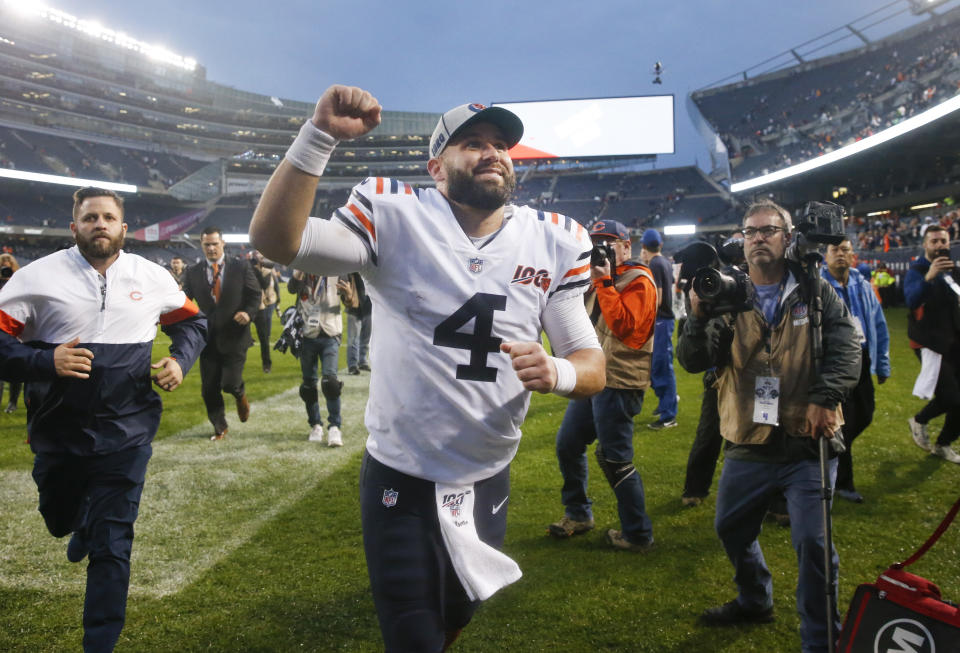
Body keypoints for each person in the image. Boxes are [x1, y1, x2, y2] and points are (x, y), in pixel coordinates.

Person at [249, 84, 605, 653]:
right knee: (413, 633)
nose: (492, 153)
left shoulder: (556, 241)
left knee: (457, 610)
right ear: (437, 168)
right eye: (473, 143)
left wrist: (557, 371)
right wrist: (318, 139)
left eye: (500, 145)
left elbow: (592, 365)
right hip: (402, 471)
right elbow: (277, 240)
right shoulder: (394, 212)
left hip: (488, 469)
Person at [0, 186, 206, 653]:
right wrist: (45, 361)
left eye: (108, 217)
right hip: (58, 434)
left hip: (128, 433)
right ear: (74, 227)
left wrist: (179, 359)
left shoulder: (151, 277)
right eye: (90, 217)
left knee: (115, 544)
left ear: (123, 228)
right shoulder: (36, 278)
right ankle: (79, 523)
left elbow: (193, 323)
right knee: (58, 519)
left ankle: (101, 644)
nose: (100, 224)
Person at [677, 198, 860, 653]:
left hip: (807, 437)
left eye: (768, 230)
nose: (759, 237)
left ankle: (822, 640)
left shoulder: (815, 289)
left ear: (787, 236)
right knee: (730, 528)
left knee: (813, 545)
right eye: (751, 231)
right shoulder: (726, 294)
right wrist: (697, 319)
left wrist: (826, 398)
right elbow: (694, 361)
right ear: (742, 239)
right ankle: (755, 597)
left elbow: (848, 346)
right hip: (748, 438)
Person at [549, 219, 659, 551]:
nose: (602, 248)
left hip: (621, 381)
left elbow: (628, 329)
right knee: (568, 444)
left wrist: (605, 283)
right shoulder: (592, 276)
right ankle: (579, 513)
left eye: (609, 242)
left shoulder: (640, 280)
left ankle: (638, 534)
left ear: (627, 245)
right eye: (596, 242)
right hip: (594, 375)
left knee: (614, 459)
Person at [822, 237, 891, 501]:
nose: (840, 254)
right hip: (835, 363)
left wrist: (882, 363)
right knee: (842, 420)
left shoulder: (862, 285)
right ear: (825, 256)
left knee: (864, 415)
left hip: (862, 359)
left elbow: (880, 325)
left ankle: (832, 458)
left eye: (845, 250)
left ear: (853, 255)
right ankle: (843, 483)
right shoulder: (818, 286)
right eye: (835, 250)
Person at [181, 226, 261, 440]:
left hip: (235, 336)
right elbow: (185, 302)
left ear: (223, 243)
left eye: (215, 244)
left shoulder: (240, 267)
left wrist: (248, 312)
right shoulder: (193, 272)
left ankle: (240, 395)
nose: (211, 248)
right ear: (201, 245)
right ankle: (220, 427)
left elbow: (255, 295)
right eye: (207, 244)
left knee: (230, 383)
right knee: (208, 388)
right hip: (207, 340)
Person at [904, 225, 960, 463]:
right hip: (929, 343)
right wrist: (929, 277)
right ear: (925, 244)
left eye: (943, 241)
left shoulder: (953, 270)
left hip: (954, 340)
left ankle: (943, 444)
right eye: (934, 241)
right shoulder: (916, 270)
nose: (939, 245)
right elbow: (910, 300)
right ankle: (919, 420)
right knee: (951, 397)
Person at [288, 269, 345, 446]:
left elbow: (353, 302)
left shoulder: (337, 269)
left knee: (330, 383)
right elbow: (291, 289)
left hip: (330, 332)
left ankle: (334, 427)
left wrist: (350, 295)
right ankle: (315, 425)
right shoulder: (303, 271)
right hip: (307, 334)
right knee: (308, 385)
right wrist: (298, 272)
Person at [639, 228, 678, 430]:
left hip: (661, 319)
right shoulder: (664, 262)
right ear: (660, 244)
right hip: (665, 320)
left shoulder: (654, 263)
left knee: (660, 367)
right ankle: (667, 402)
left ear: (644, 246)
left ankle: (669, 413)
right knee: (658, 366)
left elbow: (658, 297)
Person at [251, 251, 280, 374]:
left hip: (260, 307)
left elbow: (264, 284)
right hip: (246, 308)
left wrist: (256, 270)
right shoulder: (248, 268)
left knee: (264, 338)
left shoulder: (266, 272)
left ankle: (266, 364)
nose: (260, 259)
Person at [0, 252, 22, 412]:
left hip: (16, 328)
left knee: (16, 366)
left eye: (9, 263)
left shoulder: (20, 280)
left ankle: (13, 402)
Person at [342, 271, 372, 374]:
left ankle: (362, 361)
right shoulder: (351, 269)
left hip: (368, 305)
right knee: (353, 338)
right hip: (354, 306)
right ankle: (352, 365)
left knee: (366, 336)